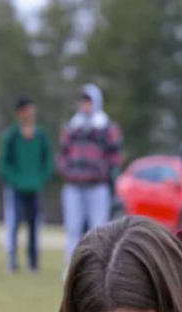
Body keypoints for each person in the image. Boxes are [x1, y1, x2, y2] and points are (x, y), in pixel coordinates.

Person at [59, 84, 123, 276]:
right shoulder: (72, 126)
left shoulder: (106, 127)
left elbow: (116, 155)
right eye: (83, 101)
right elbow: (62, 153)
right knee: (73, 229)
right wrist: (67, 169)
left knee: (98, 229)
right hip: (74, 185)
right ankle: (71, 268)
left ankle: (97, 269)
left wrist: (103, 170)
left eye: (89, 101)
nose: (86, 105)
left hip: (97, 186)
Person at [0, 96, 54, 273]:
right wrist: (14, 179)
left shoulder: (41, 136)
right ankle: (12, 260)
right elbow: (3, 163)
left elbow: (48, 161)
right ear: (20, 113)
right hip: (16, 188)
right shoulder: (12, 136)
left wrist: (40, 178)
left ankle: (33, 262)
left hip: (35, 188)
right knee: (14, 224)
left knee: (34, 225)